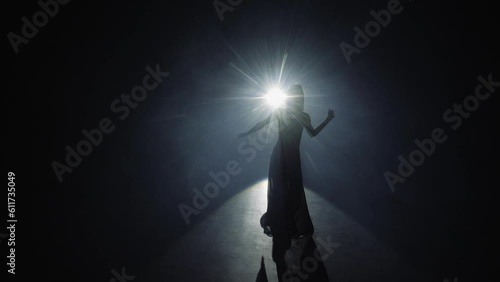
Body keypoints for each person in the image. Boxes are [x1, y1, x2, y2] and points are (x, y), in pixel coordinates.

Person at [238, 84, 334, 280]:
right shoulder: (281, 111)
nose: (296, 98)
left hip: (292, 158)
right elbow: (264, 122)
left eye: (298, 95)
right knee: (280, 190)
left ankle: (291, 225)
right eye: (294, 95)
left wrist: (328, 119)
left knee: (295, 191)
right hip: (279, 156)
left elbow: (313, 133)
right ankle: (282, 222)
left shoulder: (304, 116)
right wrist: (247, 133)